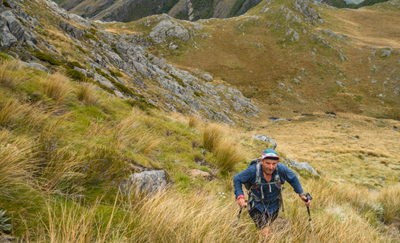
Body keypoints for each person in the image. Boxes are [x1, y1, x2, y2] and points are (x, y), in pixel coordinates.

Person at [233, 149, 311, 237]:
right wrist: (240, 196)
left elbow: (293, 178)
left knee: (267, 226)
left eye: (274, 164)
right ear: (262, 161)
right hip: (256, 205)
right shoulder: (253, 170)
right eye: (268, 163)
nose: (271, 167)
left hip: (274, 205)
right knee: (265, 232)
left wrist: (302, 195)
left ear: (277, 162)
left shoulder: (281, 169)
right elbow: (237, 179)